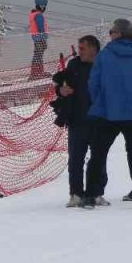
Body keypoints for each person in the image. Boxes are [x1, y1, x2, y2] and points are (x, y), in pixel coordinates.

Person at [85, 18, 132, 209]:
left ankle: (91, 195)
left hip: (107, 113)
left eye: (111, 31)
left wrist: (102, 102)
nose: (110, 34)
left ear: (118, 34)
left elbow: (93, 84)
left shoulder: (104, 56)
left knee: (98, 153)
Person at [52, 35, 100, 207]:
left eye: (83, 48)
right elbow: (60, 84)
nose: (79, 52)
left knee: (98, 159)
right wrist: (60, 90)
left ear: (94, 49)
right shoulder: (74, 65)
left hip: (99, 120)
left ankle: (96, 193)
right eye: (79, 48)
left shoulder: (103, 64)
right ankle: (76, 194)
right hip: (77, 120)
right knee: (75, 159)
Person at [29, 0, 49, 79]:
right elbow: (41, 27)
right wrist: (44, 39)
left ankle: (36, 72)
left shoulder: (33, 14)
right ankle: (37, 73)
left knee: (37, 55)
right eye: (44, 6)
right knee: (39, 55)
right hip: (40, 38)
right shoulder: (39, 15)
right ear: (42, 6)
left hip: (35, 37)